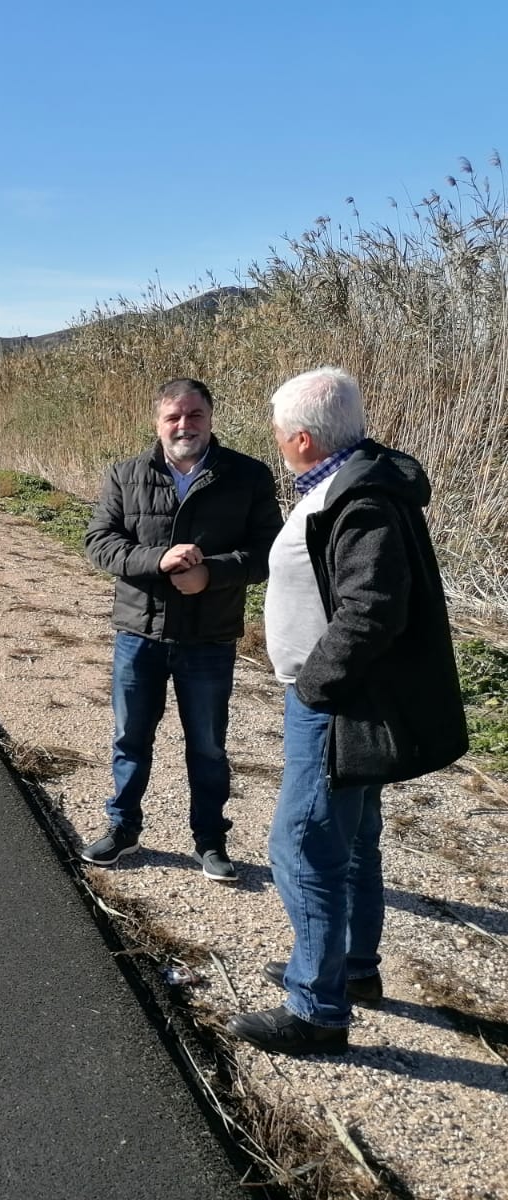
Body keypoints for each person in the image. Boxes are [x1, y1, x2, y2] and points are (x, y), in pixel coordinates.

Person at [226, 367, 466, 1055]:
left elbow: (371, 610)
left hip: (335, 705)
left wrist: (314, 685)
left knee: (303, 847)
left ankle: (317, 1010)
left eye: (277, 432)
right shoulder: (350, 484)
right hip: (342, 701)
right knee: (354, 842)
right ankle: (350, 970)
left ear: (301, 439)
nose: (274, 441)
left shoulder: (358, 499)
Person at [82, 379, 283, 881]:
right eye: (173, 416)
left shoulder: (248, 476)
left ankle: (210, 842)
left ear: (211, 418)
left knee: (209, 745)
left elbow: (268, 553)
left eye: (194, 415)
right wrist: (157, 559)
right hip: (139, 635)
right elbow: (99, 542)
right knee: (130, 738)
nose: (184, 425)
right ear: (158, 422)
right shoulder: (126, 474)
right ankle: (122, 830)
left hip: (209, 637)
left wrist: (210, 573)